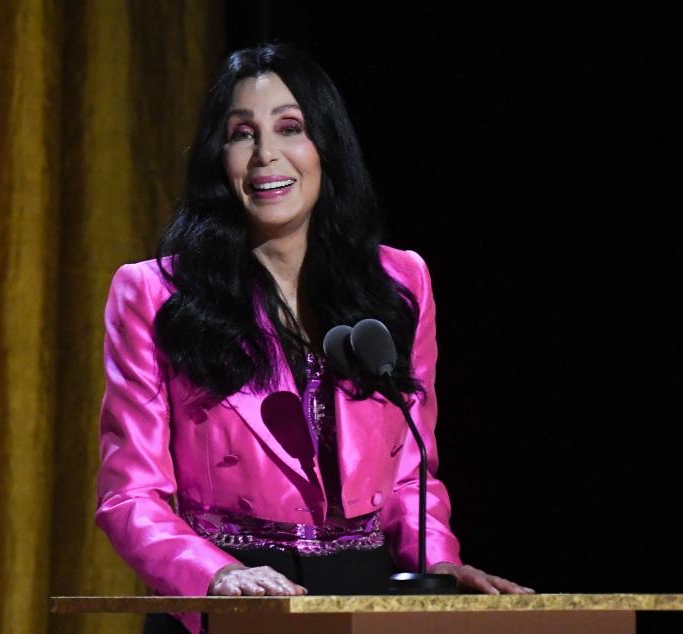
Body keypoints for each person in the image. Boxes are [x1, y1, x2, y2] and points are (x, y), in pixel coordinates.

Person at [95, 43, 532, 634]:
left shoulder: (400, 284)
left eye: (290, 128)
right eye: (241, 134)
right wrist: (215, 577)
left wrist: (440, 567)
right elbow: (130, 496)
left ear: (325, 145)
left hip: (364, 595)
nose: (265, 155)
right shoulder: (155, 294)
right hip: (233, 598)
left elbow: (410, 474)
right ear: (217, 159)